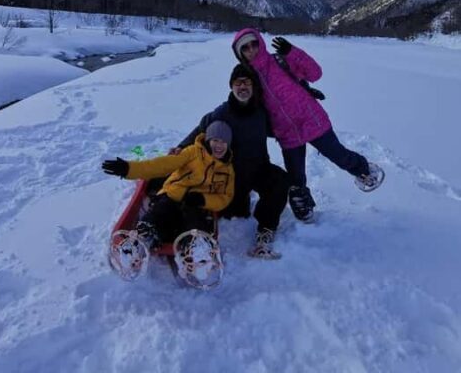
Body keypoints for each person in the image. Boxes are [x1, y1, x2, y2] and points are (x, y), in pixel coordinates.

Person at [232, 28, 383, 222]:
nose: (251, 49)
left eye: (254, 43)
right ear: (240, 53)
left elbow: (315, 73)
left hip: (312, 120)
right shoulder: (248, 77)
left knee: (339, 155)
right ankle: (303, 205)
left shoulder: (279, 60)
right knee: (296, 177)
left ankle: (364, 170)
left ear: (260, 42)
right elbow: (246, 103)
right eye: (245, 48)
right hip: (287, 133)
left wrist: (292, 52)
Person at [171, 63, 289, 258]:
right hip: (232, 176)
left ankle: (266, 229)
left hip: (259, 168)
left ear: (254, 86)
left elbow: (284, 122)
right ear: (231, 86)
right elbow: (201, 130)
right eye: (238, 83)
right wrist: (181, 147)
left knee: (280, 181)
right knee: (236, 213)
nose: (242, 87)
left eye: (247, 82)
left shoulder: (262, 111)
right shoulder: (222, 112)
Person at [102, 120, 235, 251]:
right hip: (173, 195)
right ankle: (143, 238)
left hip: (195, 204)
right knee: (162, 210)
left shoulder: (227, 171)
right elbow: (163, 165)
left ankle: (196, 246)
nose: (219, 145)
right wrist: (129, 169)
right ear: (208, 140)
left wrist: (203, 199)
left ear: (228, 145)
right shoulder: (193, 152)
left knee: (196, 219)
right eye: (215, 140)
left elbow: (225, 197)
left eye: (223, 142)